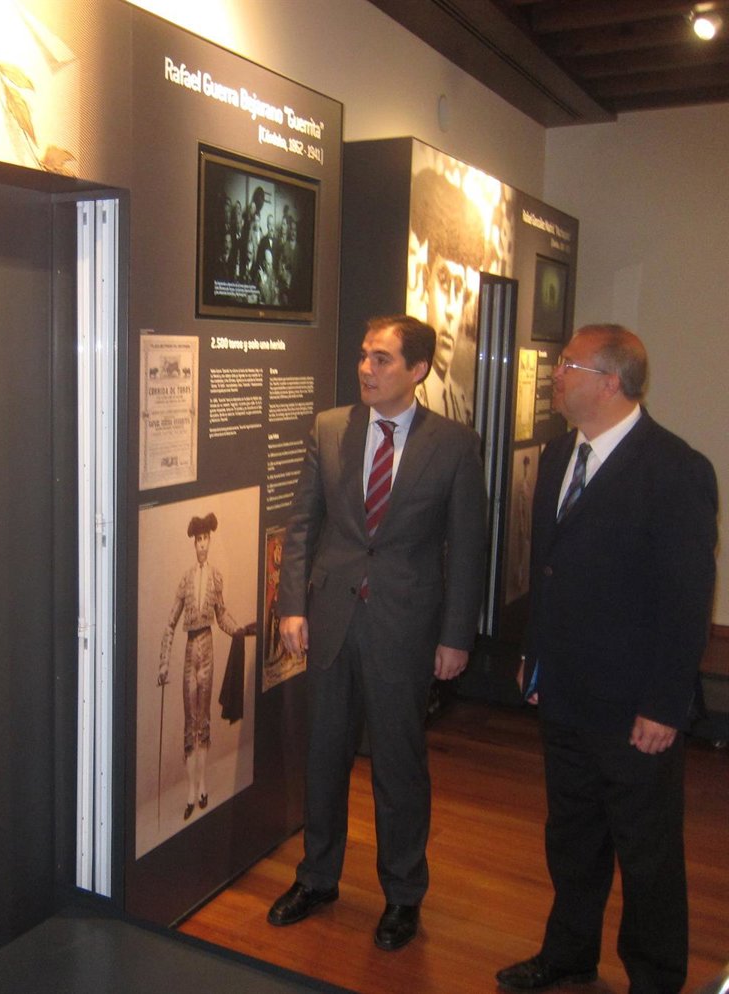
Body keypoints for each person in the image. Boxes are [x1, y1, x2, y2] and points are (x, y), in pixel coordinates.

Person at [496, 325, 718, 994]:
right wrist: (534, 654)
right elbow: (550, 568)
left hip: (633, 707)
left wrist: (664, 705)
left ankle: (654, 978)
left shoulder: (675, 468)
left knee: (646, 852)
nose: (555, 373)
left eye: (569, 364)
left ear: (610, 382)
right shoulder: (559, 453)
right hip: (564, 691)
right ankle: (568, 954)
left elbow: (687, 600)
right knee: (571, 837)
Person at [266, 315, 487, 951]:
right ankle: (317, 878)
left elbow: (467, 547)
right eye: (365, 355)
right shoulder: (330, 427)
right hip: (332, 618)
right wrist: (291, 606)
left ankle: (403, 895)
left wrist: (456, 636)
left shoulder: (454, 445)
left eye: (383, 359)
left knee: (398, 764)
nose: (367, 368)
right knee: (323, 756)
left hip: (405, 625)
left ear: (418, 370)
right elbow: (302, 524)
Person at [158, 513, 251, 820]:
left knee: (204, 719)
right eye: (198, 539)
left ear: (210, 541)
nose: (201, 544)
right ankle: (190, 790)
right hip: (190, 650)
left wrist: (238, 630)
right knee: (191, 722)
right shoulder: (186, 579)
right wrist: (163, 663)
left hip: (207, 648)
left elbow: (221, 615)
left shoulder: (215, 577)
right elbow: (170, 623)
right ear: (194, 543)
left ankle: (202, 786)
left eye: (205, 539)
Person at [409, 169, 484, 426]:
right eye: (443, 282)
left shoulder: (461, 405)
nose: (452, 309)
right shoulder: (408, 399)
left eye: (459, 289)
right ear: (426, 282)